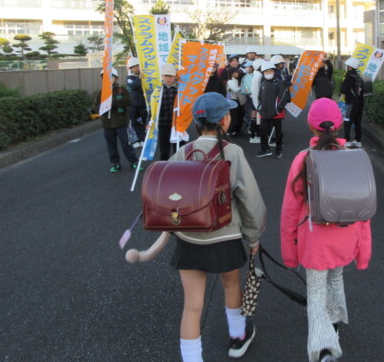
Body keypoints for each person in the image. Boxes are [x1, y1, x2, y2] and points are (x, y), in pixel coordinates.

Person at [169, 92, 267, 362]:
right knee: (232, 286)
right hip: (225, 236)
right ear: (225, 119)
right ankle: (237, 337)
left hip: (189, 237)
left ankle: (192, 358)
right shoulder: (233, 152)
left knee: (192, 305)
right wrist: (253, 237)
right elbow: (249, 199)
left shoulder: (182, 152)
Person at [280, 98, 372, 362]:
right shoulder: (354, 156)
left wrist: (290, 252)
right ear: (339, 125)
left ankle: (323, 349)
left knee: (317, 290)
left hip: (315, 240)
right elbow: (364, 212)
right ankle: (334, 327)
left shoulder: (304, 158)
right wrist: (363, 253)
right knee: (336, 278)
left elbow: (290, 211)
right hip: (346, 236)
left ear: (311, 126)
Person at [92, 68, 141, 172]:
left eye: (111, 77)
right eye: (105, 77)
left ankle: (134, 162)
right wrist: (103, 107)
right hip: (107, 124)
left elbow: (129, 101)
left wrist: (113, 102)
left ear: (116, 78)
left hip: (121, 122)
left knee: (126, 143)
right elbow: (96, 106)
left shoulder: (121, 89)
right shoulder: (101, 92)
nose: (108, 79)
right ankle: (115, 163)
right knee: (111, 144)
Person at [256, 61, 291, 159]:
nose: (268, 73)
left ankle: (278, 150)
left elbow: (284, 98)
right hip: (264, 112)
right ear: (263, 73)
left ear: (274, 72)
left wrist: (278, 109)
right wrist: (260, 107)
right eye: (266, 72)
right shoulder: (263, 83)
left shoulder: (279, 83)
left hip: (277, 113)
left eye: (270, 71)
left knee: (278, 133)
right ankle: (265, 150)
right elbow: (260, 97)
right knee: (262, 131)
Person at [340, 57, 364, 148]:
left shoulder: (348, 77)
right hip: (360, 102)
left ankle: (347, 140)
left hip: (351, 102)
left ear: (349, 67)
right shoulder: (359, 77)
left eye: (347, 66)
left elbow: (343, 90)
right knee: (358, 121)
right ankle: (358, 140)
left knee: (347, 121)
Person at [157, 63, 179, 161]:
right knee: (164, 150)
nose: (169, 78)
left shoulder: (180, 88)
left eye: (171, 76)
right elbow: (153, 107)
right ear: (162, 76)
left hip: (178, 124)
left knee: (178, 149)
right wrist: (149, 121)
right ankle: (164, 168)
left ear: (175, 76)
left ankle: (179, 167)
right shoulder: (158, 89)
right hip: (163, 123)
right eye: (166, 76)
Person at [125, 57, 147, 148]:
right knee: (133, 123)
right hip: (132, 105)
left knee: (143, 122)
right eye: (134, 67)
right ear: (131, 68)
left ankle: (142, 139)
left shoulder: (145, 76)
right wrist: (139, 79)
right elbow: (133, 86)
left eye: (137, 66)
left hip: (142, 104)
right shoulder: (129, 78)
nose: (136, 68)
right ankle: (135, 140)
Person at [248, 59, 264, 144]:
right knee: (256, 119)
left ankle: (256, 135)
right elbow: (255, 91)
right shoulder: (257, 77)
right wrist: (257, 104)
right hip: (256, 101)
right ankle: (254, 136)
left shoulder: (257, 75)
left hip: (256, 101)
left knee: (256, 119)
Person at [226, 67, 246, 137]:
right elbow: (235, 90)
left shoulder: (237, 80)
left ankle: (237, 130)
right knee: (234, 116)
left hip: (238, 100)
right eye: (236, 72)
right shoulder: (230, 81)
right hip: (232, 100)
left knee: (239, 116)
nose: (237, 73)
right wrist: (242, 87)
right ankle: (231, 130)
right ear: (232, 74)